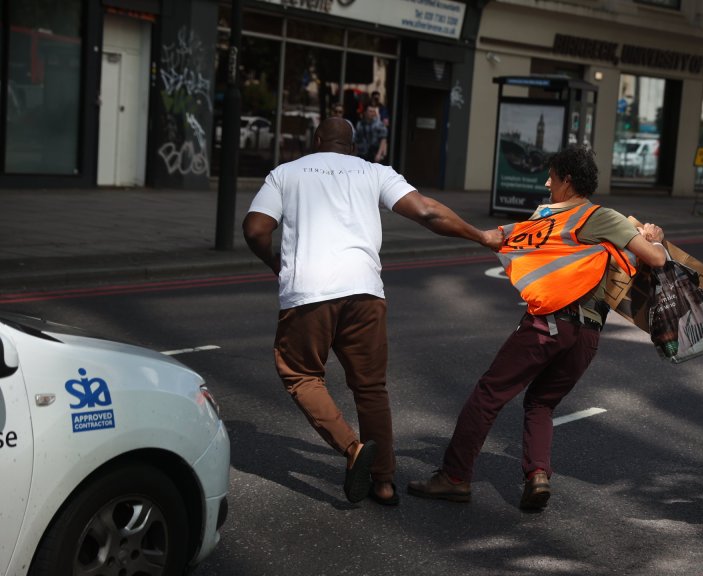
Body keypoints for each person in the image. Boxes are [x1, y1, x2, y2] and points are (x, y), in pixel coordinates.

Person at [243, 118, 502, 506]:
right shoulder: (375, 172)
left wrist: (277, 264)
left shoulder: (286, 173)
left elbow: (255, 229)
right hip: (365, 291)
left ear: (316, 141)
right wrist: (481, 235)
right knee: (370, 388)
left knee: (301, 375)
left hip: (309, 292)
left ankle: (352, 449)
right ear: (352, 146)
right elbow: (428, 211)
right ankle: (384, 482)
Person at [408, 144, 667, 511]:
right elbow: (650, 256)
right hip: (587, 336)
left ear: (567, 180)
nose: (547, 182)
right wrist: (651, 236)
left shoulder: (570, 218)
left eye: (552, 176)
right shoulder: (598, 218)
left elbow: (653, 257)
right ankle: (537, 476)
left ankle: (453, 477)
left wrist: (651, 243)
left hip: (548, 325)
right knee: (541, 402)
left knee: (489, 394)